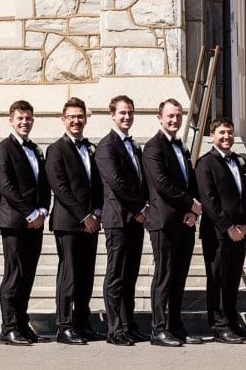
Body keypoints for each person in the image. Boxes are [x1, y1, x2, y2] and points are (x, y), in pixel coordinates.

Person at [143, 98, 202, 347]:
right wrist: (189, 204)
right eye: (170, 116)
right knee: (164, 275)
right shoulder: (153, 148)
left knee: (179, 277)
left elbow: (190, 181)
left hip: (185, 222)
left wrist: (193, 211)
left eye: (178, 116)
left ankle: (176, 326)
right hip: (163, 222)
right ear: (160, 118)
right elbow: (163, 185)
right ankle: (158, 329)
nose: (175, 120)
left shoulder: (182, 147)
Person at [0, 100, 51, 345]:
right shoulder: (3, 149)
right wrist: (29, 214)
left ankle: (22, 322)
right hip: (15, 222)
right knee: (14, 276)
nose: (24, 122)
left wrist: (43, 211)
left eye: (28, 118)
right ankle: (9, 328)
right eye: (20, 118)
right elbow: (6, 187)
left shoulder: (36, 149)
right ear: (11, 120)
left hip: (35, 221)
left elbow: (44, 185)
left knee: (28, 275)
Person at [45, 97, 103, 345]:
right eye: (71, 117)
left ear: (86, 119)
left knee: (86, 274)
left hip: (91, 222)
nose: (76, 121)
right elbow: (60, 188)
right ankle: (65, 326)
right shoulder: (56, 149)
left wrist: (97, 212)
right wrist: (84, 216)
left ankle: (82, 322)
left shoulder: (91, 148)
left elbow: (98, 184)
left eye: (80, 116)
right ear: (63, 120)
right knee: (68, 274)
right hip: (69, 222)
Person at [194, 117, 246, 344]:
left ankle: (232, 321)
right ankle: (219, 326)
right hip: (217, 232)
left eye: (230, 132)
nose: (226, 137)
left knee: (233, 278)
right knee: (218, 279)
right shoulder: (205, 163)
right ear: (212, 136)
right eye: (222, 132)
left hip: (240, 232)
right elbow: (209, 201)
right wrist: (228, 227)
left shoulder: (240, 161)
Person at [94, 95, 149, 347]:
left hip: (136, 220)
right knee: (116, 275)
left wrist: (145, 206)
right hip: (117, 218)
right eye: (122, 113)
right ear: (112, 115)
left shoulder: (133, 146)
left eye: (130, 113)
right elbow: (116, 182)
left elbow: (140, 180)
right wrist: (139, 206)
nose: (127, 117)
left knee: (131, 274)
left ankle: (129, 324)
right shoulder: (107, 146)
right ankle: (114, 329)